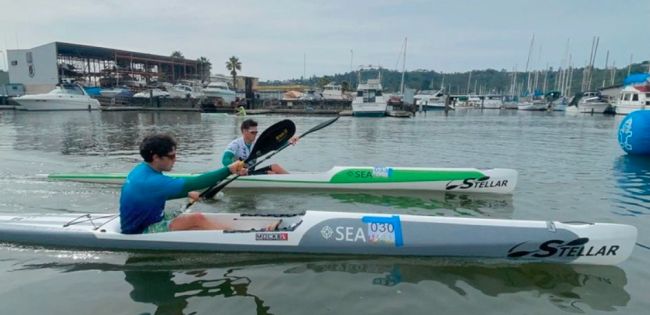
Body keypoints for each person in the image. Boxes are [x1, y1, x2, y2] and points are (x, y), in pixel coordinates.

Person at [120, 134, 246, 234]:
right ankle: (236, 236)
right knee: (197, 219)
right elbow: (197, 182)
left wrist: (187, 193)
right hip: (140, 231)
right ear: (156, 157)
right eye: (171, 156)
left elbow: (153, 194)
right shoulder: (151, 181)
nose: (175, 159)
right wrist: (229, 169)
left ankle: (221, 231)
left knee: (186, 214)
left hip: (146, 219)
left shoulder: (142, 169)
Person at [222, 119, 297, 175]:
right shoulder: (235, 144)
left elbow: (274, 146)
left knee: (276, 167)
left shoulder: (256, 144)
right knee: (270, 173)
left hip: (249, 172)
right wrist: (238, 168)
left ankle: (294, 181)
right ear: (244, 131)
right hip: (237, 173)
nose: (255, 134)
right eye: (252, 132)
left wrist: (288, 142)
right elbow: (225, 159)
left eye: (256, 132)